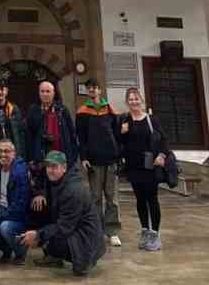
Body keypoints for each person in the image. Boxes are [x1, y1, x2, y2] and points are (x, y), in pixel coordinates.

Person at [19, 151, 106, 276]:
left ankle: (83, 260)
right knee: (36, 211)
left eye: (54, 167)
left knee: (52, 239)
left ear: (64, 168)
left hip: (86, 239)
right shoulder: (55, 181)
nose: (50, 170)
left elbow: (64, 227)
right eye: (48, 167)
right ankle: (54, 256)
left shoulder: (73, 190)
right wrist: (39, 195)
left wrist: (39, 235)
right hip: (73, 228)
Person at [117, 86, 170, 251]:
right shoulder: (124, 120)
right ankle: (145, 230)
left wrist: (161, 155)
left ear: (141, 100)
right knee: (140, 199)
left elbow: (163, 141)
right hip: (134, 166)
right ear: (127, 102)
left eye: (136, 98)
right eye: (130, 99)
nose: (134, 101)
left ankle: (155, 234)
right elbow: (119, 143)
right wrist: (122, 133)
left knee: (151, 199)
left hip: (150, 165)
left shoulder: (151, 120)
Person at [76, 78, 123, 248]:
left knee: (112, 198)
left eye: (95, 88)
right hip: (93, 161)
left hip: (111, 160)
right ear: (87, 91)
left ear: (100, 90)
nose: (93, 90)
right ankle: (95, 231)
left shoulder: (109, 110)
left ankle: (112, 231)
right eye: (90, 88)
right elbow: (81, 138)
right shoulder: (82, 112)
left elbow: (117, 134)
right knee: (95, 198)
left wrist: (119, 155)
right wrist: (83, 158)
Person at [23, 79, 79, 168]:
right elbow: (28, 136)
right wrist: (30, 158)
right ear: (39, 93)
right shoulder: (33, 111)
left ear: (53, 93)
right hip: (41, 158)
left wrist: (73, 157)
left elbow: (72, 134)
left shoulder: (62, 110)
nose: (45, 94)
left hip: (61, 156)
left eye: (48, 91)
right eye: (42, 91)